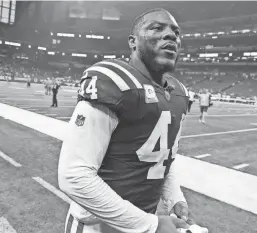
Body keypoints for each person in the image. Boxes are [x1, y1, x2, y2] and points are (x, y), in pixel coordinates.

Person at [58, 8, 208, 233]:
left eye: (176, 32)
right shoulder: (115, 82)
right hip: (97, 226)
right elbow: (74, 175)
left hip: (138, 221)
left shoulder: (177, 94)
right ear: (133, 42)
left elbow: (162, 158)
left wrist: (174, 198)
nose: (171, 36)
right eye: (157, 28)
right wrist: (151, 225)